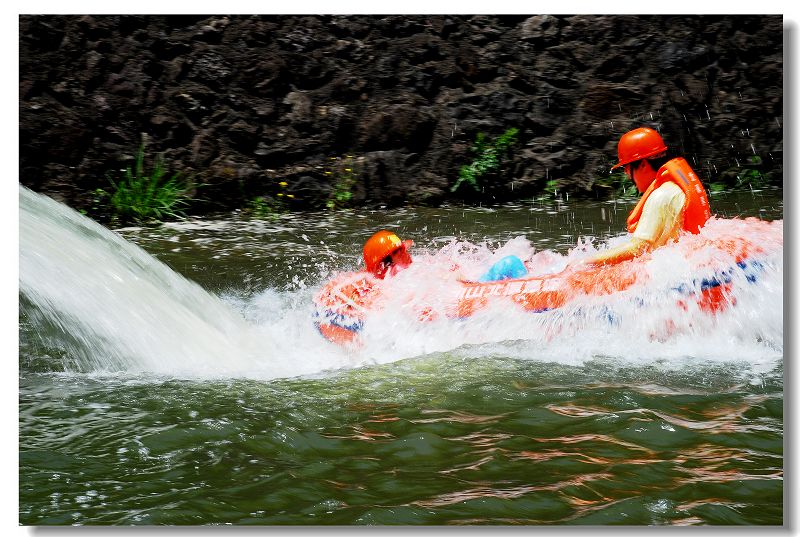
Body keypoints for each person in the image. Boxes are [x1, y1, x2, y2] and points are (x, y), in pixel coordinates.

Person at [581, 127, 711, 266]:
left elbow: (638, 248)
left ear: (642, 164)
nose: (626, 173)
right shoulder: (676, 188)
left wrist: (587, 261)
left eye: (626, 167)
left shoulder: (660, 197)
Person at [362, 230, 528, 282]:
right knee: (510, 263)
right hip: (465, 294)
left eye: (403, 248)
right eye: (398, 252)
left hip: (466, 288)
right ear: (385, 264)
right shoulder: (399, 277)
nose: (406, 252)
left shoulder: (409, 270)